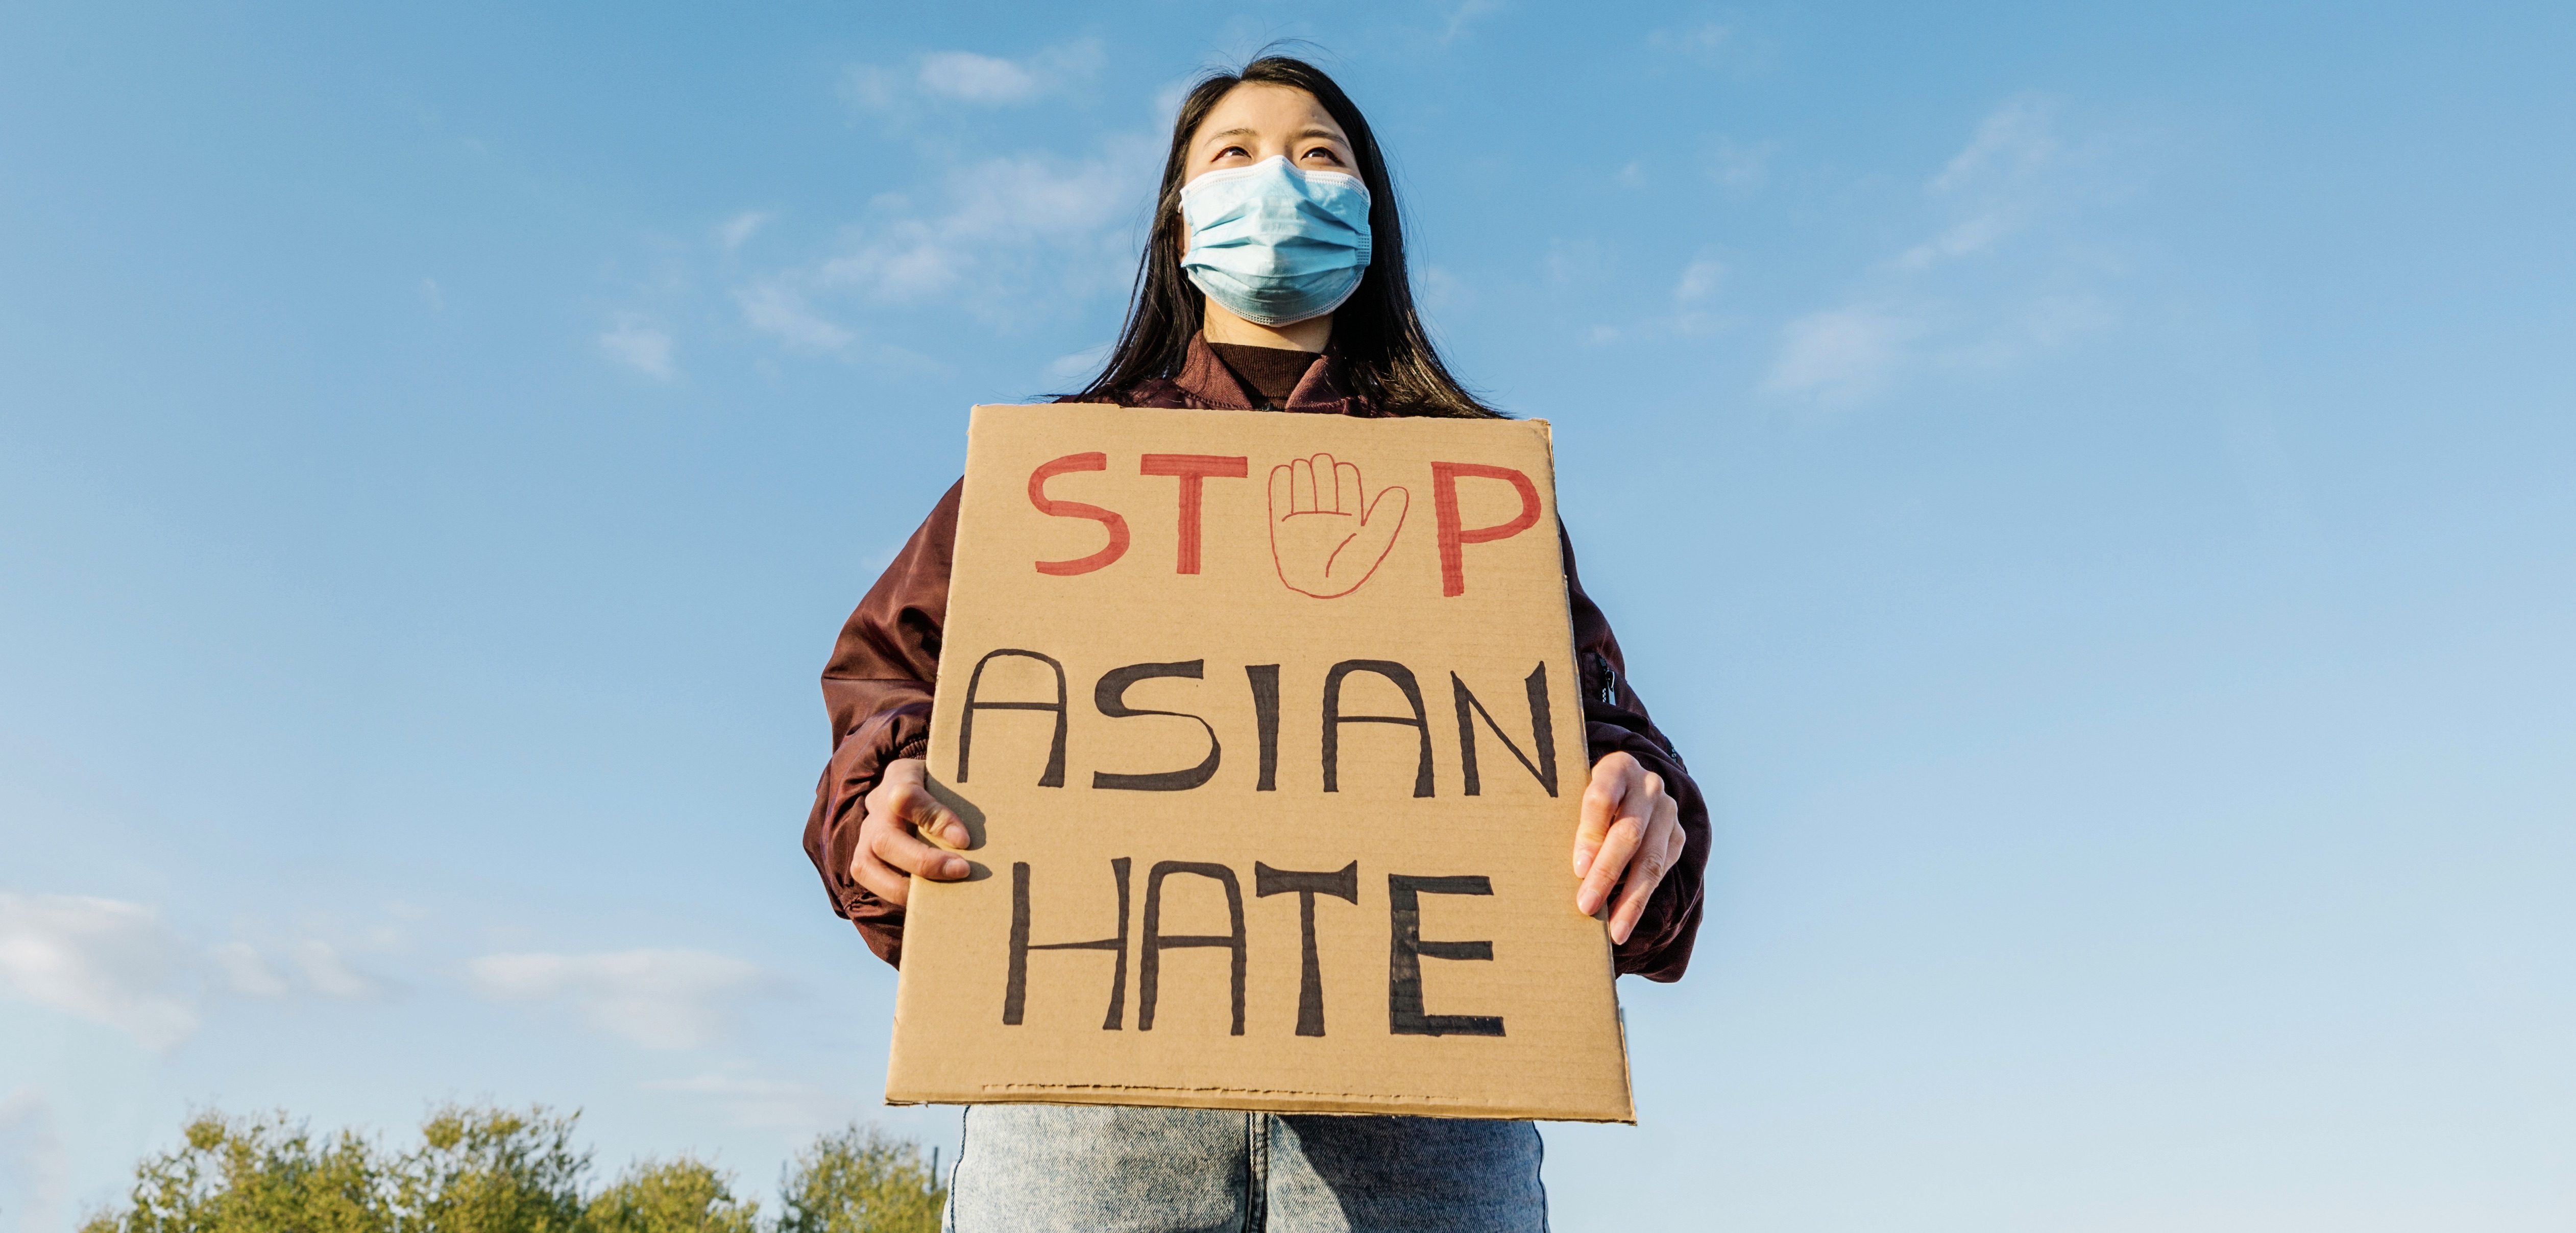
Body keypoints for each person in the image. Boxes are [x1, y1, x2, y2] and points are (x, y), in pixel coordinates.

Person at [803, 54, 1710, 1232]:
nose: (1278, 177)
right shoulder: (1056, 473)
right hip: (1087, 1108)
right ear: (1178, 220)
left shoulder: (1475, 494)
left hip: (1424, 1121)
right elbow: (888, 679)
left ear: (1370, 220)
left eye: (1319, 154)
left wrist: (1645, 806)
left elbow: (1589, 729)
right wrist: (881, 794)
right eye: (1233, 154)